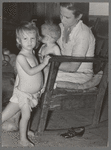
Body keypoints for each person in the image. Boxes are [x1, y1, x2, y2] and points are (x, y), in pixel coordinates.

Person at [2, 21, 50, 147]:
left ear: (37, 39)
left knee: (11, 115)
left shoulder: (32, 53)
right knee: (26, 115)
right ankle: (22, 139)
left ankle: (26, 131)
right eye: (25, 39)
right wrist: (44, 64)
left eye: (32, 38)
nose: (29, 42)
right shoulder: (21, 57)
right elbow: (30, 72)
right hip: (23, 94)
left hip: (30, 93)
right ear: (19, 40)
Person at [55, 2, 95, 88]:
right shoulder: (62, 27)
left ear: (79, 16)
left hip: (80, 74)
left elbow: (73, 67)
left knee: (41, 77)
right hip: (65, 70)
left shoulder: (83, 33)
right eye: (61, 15)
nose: (62, 20)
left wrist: (48, 63)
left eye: (67, 17)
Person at [38, 21, 61, 88]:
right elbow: (39, 54)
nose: (38, 37)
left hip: (50, 68)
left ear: (47, 38)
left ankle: (44, 88)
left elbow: (59, 60)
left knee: (46, 72)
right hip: (41, 65)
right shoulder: (43, 46)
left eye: (40, 35)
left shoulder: (55, 48)